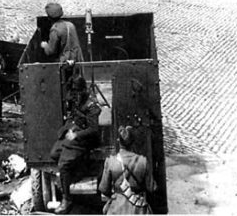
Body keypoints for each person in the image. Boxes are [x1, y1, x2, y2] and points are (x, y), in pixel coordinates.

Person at [49, 75, 101, 214]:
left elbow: (94, 129)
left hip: (85, 138)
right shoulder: (75, 98)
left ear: (84, 90)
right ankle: (75, 173)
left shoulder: (91, 105)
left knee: (63, 165)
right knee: (54, 154)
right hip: (74, 130)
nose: (76, 95)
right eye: (74, 92)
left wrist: (76, 135)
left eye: (78, 92)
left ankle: (67, 200)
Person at [98, 125, 156, 214]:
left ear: (118, 141)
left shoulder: (110, 161)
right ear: (133, 141)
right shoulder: (143, 161)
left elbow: (104, 189)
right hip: (138, 208)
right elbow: (151, 188)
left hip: (117, 208)